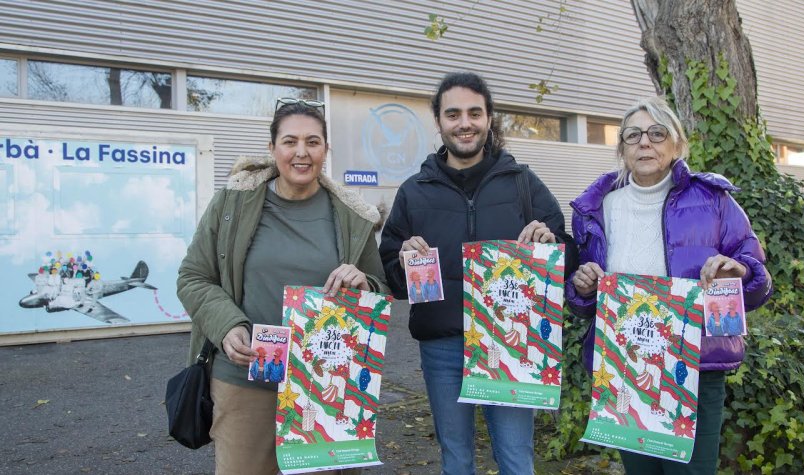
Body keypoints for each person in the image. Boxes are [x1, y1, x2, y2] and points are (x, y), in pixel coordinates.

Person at [379, 71, 576, 475]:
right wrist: (401, 259)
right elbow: (390, 277)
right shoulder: (414, 191)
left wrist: (550, 244)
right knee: (456, 459)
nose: (464, 123)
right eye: (453, 114)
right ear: (439, 121)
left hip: (510, 345)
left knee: (516, 458)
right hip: (442, 347)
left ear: (489, 119)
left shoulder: (523, 183)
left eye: (474, 113)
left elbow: (567, 255)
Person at [177, 98, 387, 475]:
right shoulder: (233, 204)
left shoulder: (352, 218)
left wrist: (364, 281)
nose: (301, 153)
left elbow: (378, 289)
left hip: (325, 381)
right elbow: (193, 276)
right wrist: (228, 326)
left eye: (313, 141)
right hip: (246, 379)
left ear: (326, 149)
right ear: (272, 148)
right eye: (290, 141)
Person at [566, 96, 773, 474]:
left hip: (694, 367)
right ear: (622, 148)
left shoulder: (714, 201)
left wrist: (740, 271)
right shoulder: (599, 209)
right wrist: (581, 288)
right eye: (633, 135)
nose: (645, 142)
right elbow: (585, 301)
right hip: (625, 366)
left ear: (676, 144)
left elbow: (758, 279)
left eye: (657, 133)